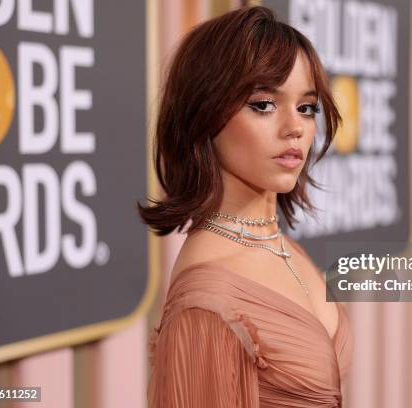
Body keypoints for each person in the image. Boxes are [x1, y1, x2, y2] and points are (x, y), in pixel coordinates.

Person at [138, 6, 353, 407]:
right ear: (205, 112)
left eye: (306, 107)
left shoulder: (282, 246)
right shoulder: (209, 301)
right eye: (263, 104)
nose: (295, 127)